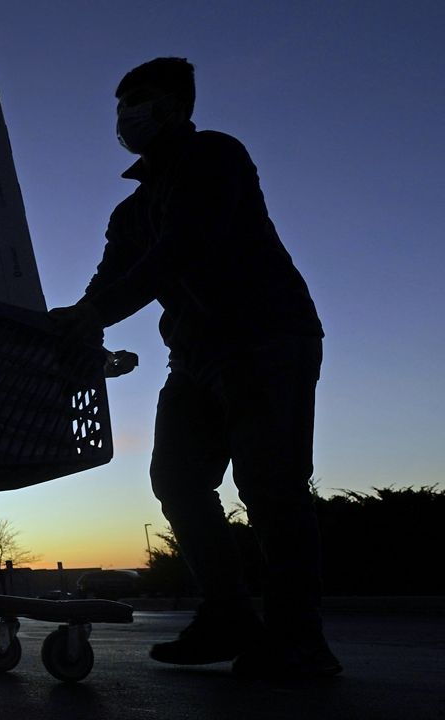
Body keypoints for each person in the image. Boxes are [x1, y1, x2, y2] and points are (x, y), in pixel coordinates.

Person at [50, 57, 338, 678]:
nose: (128, 115)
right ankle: (229, 615)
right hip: (195, 355)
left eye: (143, 100)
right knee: (177, 481)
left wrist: (96, 311)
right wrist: (75, 319)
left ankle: (299, 639)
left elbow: (184, 245)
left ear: (177, 106)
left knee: (271, 484)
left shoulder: (215, 157)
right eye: (121, 105)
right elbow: (111, 280)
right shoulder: (129, 212)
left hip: (268, 339)